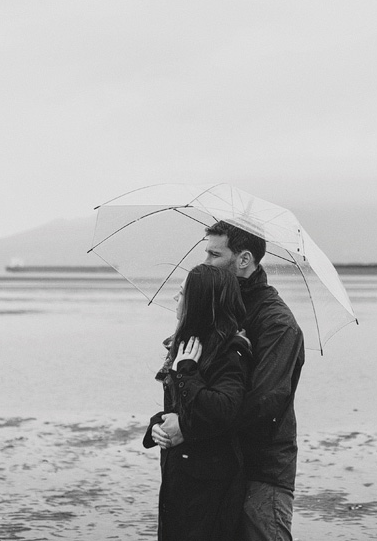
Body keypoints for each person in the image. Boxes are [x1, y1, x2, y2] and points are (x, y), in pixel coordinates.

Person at [160, 220, 305, 541]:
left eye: (214, 254)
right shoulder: (219, 307)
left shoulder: (277, 322)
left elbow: (264, 403)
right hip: (219, 465)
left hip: (262, 468)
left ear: (244, 259)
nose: (205, 262)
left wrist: (188, 427)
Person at [143, 263, 253, 541]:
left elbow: (222, 411)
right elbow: (180, 410)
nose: (174, 299)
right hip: (180, 479)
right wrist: (157, 425)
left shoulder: (230, 351)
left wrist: (188, 371)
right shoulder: (188, 345)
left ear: (199, 302)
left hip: (209, 489)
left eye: (181, 293)